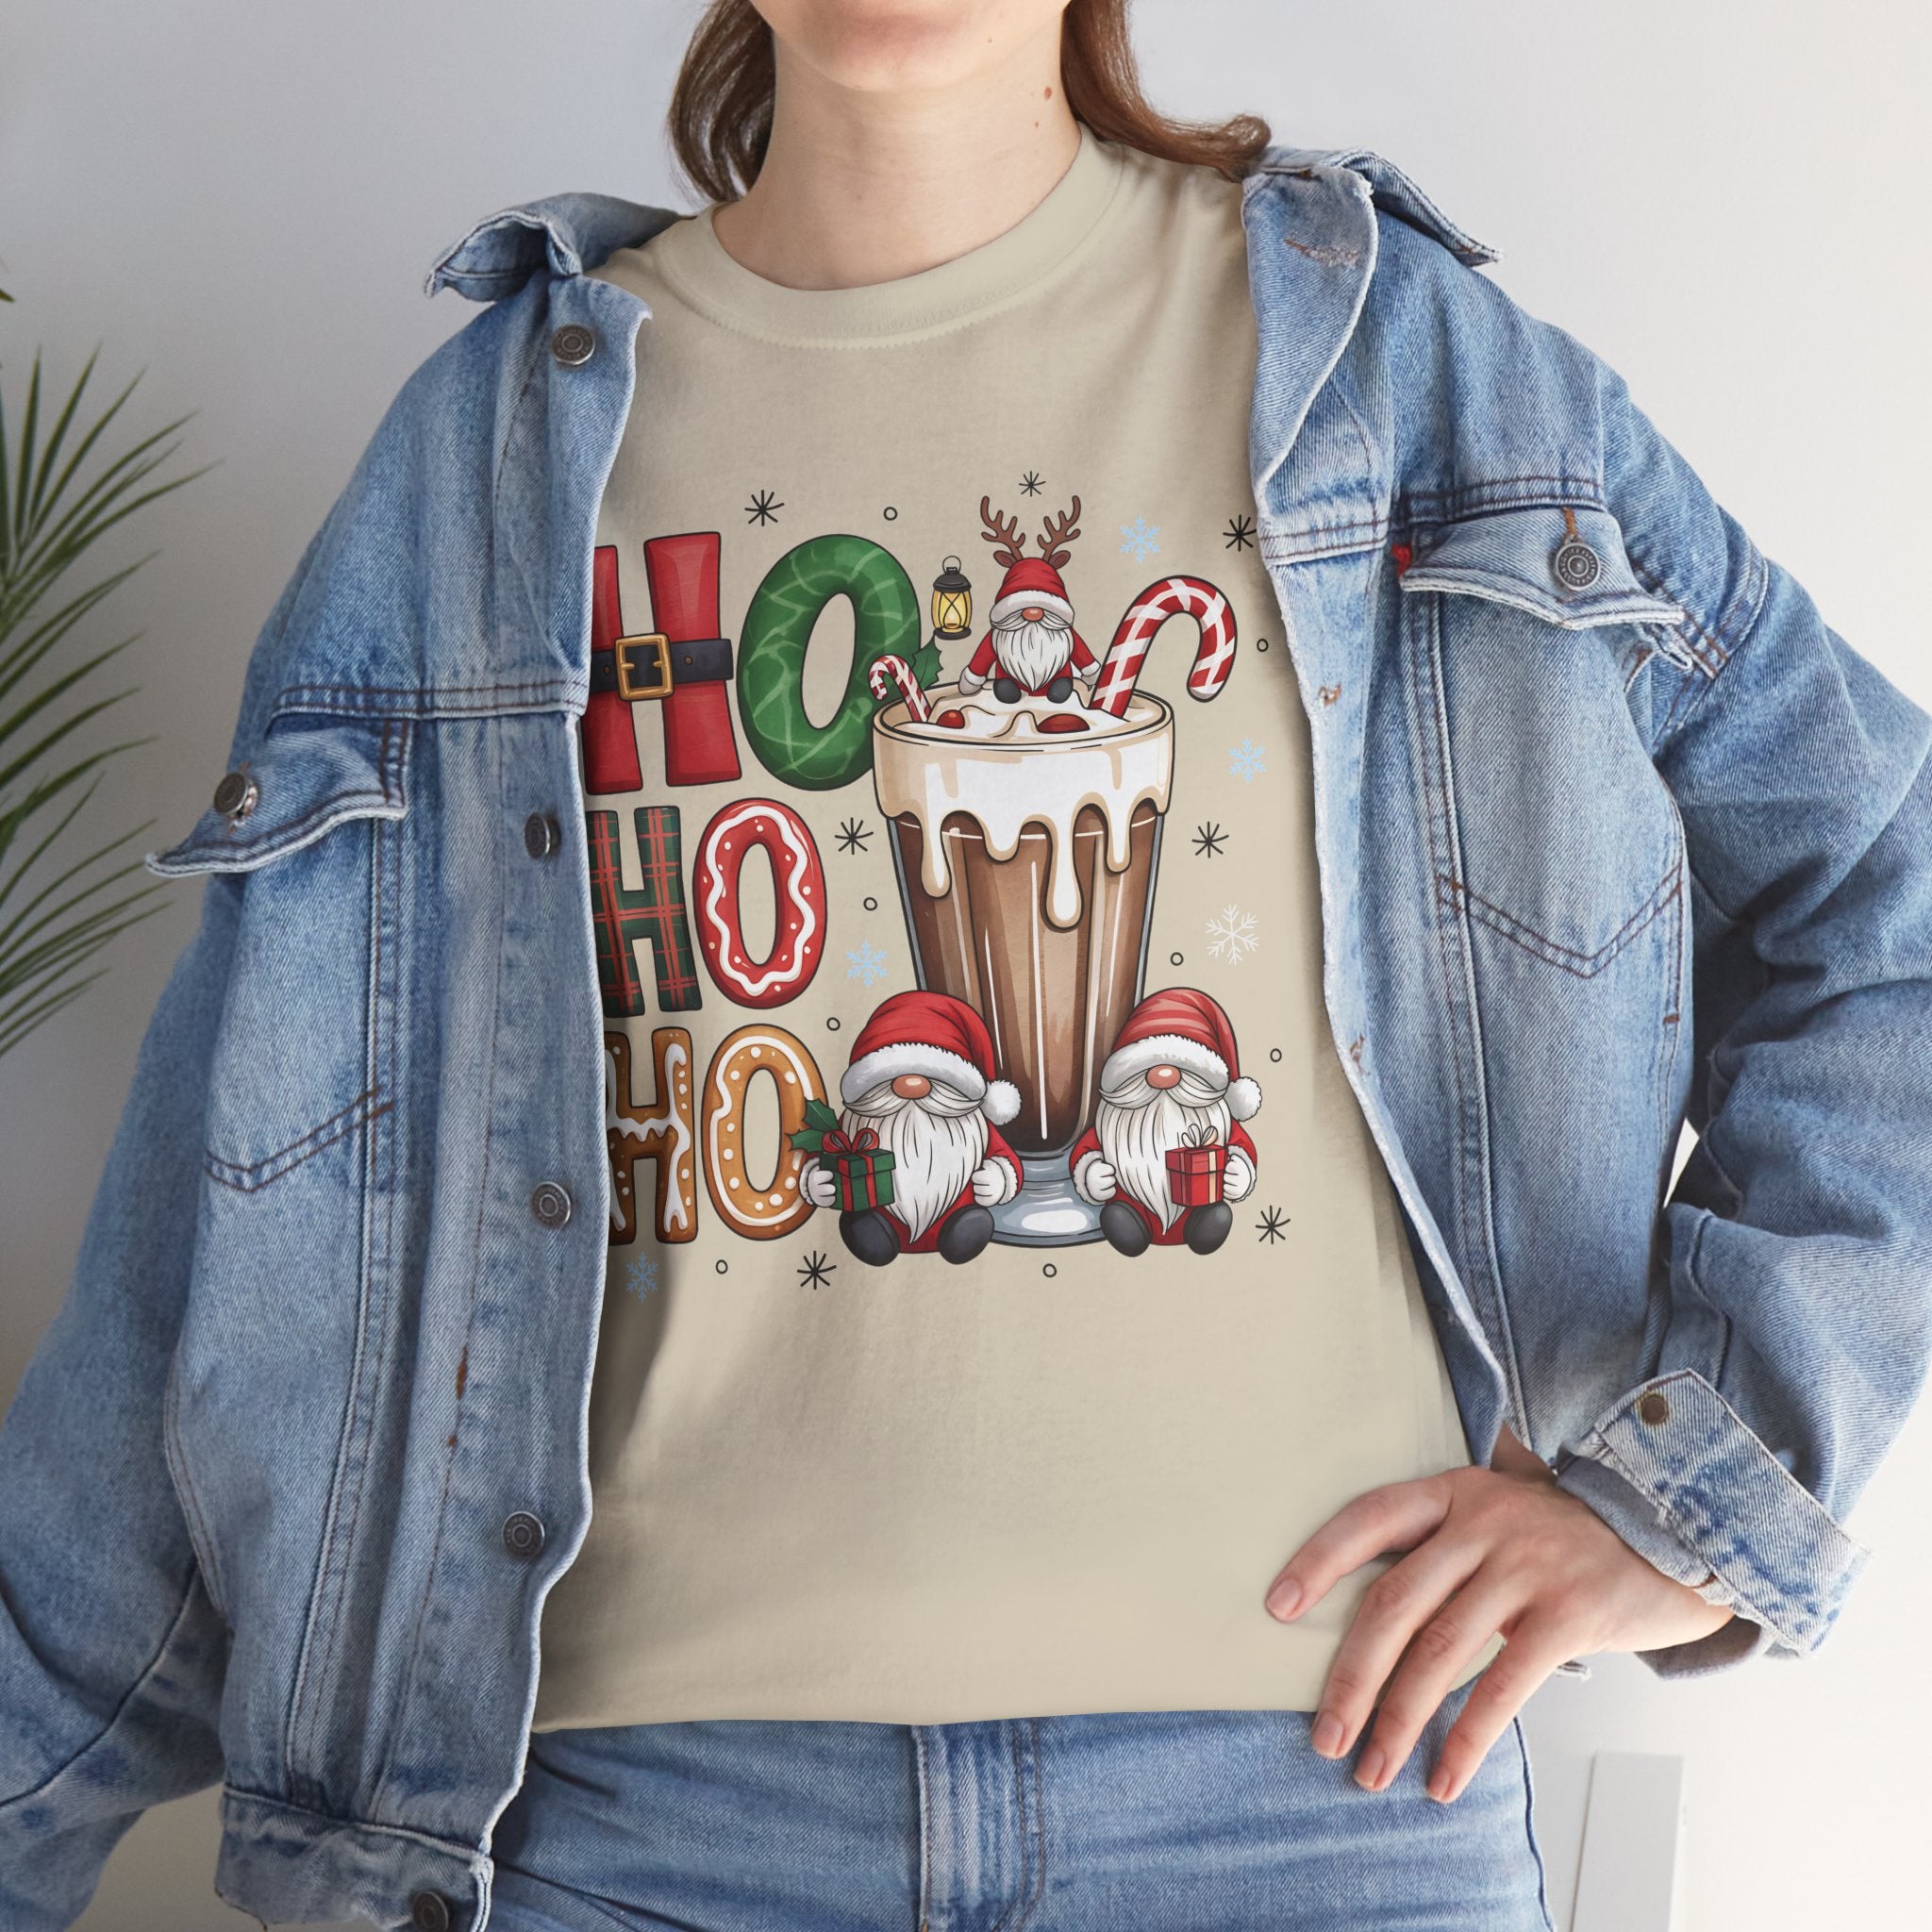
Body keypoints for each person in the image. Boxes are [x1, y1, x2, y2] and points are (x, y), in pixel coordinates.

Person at [3, 2, 1928, 1929]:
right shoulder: (480, 461)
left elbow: (1883, 895)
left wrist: (1697, 1504)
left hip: (1320, 1801)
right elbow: (227, 1250)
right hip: (632, 1831)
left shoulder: (1404, 372)